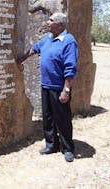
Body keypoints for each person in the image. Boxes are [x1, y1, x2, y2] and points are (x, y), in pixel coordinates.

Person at [18, 12, 78, 162]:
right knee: (48, 118)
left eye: (51, 20)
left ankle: (68, 148)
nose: (47, 22)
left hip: (59, 88)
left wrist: (66, 90)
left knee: (62, 119)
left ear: (60, 25)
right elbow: (36, 48)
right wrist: (22, 58)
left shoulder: (69, 41)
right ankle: (52, 145)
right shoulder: (48, 38)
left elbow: (70, 68)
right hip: (46, 86)